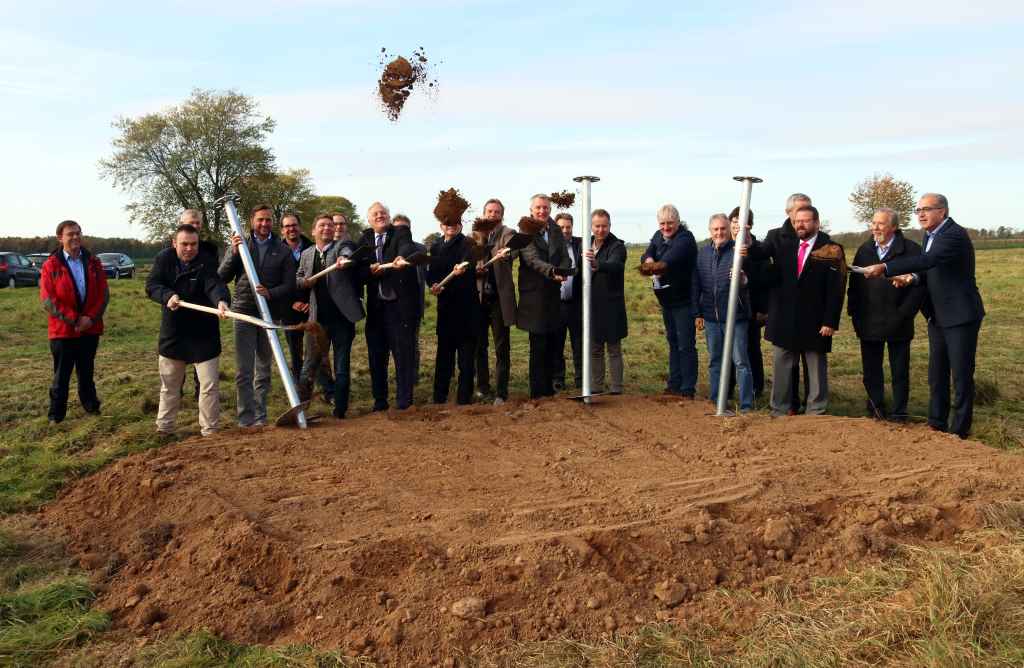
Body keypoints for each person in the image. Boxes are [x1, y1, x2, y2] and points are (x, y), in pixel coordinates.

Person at [861, 193, 985, 438]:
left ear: (943, 211)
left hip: (960, 315)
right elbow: (930, 270)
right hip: (937, 315)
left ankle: (960, 429)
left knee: (960, 374)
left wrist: (886, 267)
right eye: (918, 210)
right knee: (936, 373)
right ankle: (937, 422)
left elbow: (929, 259)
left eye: (927, 209)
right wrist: (912, 278)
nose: (921, 214)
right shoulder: (930, 234)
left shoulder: (952, 234)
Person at [747, 205, 845, 416]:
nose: (800, 224)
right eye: (796, 221)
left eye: (805, 221)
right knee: (782, 367)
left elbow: (836, 289)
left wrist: (830, 321)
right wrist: (745, 236)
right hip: (785, 318)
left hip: (816, 320)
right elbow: (758, 252)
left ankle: (816, 410)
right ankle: (779, 409)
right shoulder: (784, 245)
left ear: (816, 223)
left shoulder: (831, 249)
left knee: (816, 367)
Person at [145, 223, 230, 436]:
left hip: (205, 332)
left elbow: (214, 284)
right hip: (174, 332)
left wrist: (221, 300)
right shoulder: (163, 259)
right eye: (184, 244)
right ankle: (165, 429)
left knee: (209, 386)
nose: (190, 249)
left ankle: (210, 431)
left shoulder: (207, 260)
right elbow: (152, 285)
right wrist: (167, 296)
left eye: (194, 244)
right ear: (174, 243)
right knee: (170, 386)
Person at [218, 203, 297, 427]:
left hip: (268, 314)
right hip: (243, 312)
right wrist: (234, 253)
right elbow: (221, 276)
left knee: (263, 369)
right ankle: (246, 419)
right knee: (244, 370)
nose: (264, 224)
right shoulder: (241, 244)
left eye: (268, 220)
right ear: (252, 221)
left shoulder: (282, 251)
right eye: (260, 219)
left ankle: (261, 417)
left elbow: (290, 285)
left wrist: (270, 293)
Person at [847, 208, 925, 422]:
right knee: (871, 370)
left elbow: (920, 286)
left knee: (899, 371)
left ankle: (900, 412)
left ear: (894, 227)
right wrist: (854, 314)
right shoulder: (864, 250)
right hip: (869, 321)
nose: (875, 227)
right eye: (873, 223)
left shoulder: (911, 250)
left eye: (880, 224)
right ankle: (876, 409)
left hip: (899, 321)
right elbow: (854, 285)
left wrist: (905, 313)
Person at [295, 213, 364, 419]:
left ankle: (340, 410)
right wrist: (304, 282)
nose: (327, 228)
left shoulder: (340, 247)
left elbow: (347, 251)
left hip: (342, 319)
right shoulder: (307, 254)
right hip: (318, 321)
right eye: (322, 225)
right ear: (313, 231)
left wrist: (344, 259)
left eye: (330, 225)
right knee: (309, 366)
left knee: (342, 366)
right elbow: (298, 277)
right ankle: (300, 411)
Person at [40, 220, 109, 423]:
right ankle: (56, 415)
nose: (75, 237)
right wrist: (75, 319)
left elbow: (103, 295)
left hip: (90, 329)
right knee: (61, 376)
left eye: (78, 233)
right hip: (63, 331)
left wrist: (90, 319)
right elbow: (48, 299)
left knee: (86, 372)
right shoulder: (50, 265)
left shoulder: (94, 262)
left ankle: (91, 407)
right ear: (60, 238)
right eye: (70, 234)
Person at [358, 202, 419, 410]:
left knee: (403, 354)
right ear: (369, 219)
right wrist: (368, 271)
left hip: (399, 307)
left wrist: (401, 256)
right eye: (375, 214)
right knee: (376, 356)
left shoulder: (400, 232)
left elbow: (406, 247)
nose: (379, 216)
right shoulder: (365, 239)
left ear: (389, 216)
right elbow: (359, 268)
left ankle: (404, 401)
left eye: (383, 213)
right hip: (376, 309)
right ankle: (380, 400)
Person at [693, 214, 754, 412]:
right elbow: (697, 284)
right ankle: (717, 400)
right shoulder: (702, 254)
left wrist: (743, 278)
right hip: (711, 318)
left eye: (723, 229)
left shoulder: (739, 252)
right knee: (715, 361)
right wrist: (698, 312)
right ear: (710, 231)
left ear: (729, 230)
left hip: (735, 317)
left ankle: (746, 406)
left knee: (741, 362)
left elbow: (748, 280)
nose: (719, 233)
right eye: (715, 229)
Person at [640, 204, 698, 398]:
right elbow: (647, 254)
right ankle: (674, 384)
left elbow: (668, 260)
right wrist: (648, 259)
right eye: (662, 223)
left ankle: (688, 388)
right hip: (667, 301)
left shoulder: (685, 239)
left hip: (684, 301)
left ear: (678, 222)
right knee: (673, 342)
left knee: (685, 344)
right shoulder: (658, 236)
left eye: (670, 223)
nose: (666, 227)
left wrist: (653, 263)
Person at [516, 194, 571, 399]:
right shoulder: (525, 230)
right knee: (537, 345)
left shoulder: (555, 229)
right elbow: (531, 259)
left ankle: (549, 390)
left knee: (552, 342)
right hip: (534, 297)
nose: (542, 211)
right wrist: (552, 271)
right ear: (531, 210)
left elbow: (564, 254)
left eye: (546, 208)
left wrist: (565, 270)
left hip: (553, 295)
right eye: (538, 208)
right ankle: (537, 393)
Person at [767, 193, 814, 413]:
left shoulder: (819, 239)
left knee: (810, 360)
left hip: (810, 310)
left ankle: (812, 405)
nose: (802, 215)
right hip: (784, 310)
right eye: (798, 210)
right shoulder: (776, 236)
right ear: (789, 213)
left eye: (807, 209)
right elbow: (763, 262)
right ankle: (789, 404)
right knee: (787, 362)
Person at [428, 219, 479, 404]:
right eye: (446, 223)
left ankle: (464, 399)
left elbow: (470, 263)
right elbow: (431, 272)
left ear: (460, 225)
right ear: (441, 226)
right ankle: (439, 397)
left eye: (454, 222)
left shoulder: (468, 244)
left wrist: (462, 267)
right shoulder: (436, 246)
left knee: (465, 358)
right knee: (444, 356)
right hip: (446, 309)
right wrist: (432, 285)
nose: (450, 226)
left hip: (466, 309)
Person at [473, 198, 517, 405]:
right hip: (479, 299)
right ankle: (482, 388)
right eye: (489, 211)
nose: (493, 215)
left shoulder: (508, 233)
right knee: (479, 347)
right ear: (483, 213)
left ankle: (501, 392)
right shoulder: (473, 236)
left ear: (502, 215)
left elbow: (513, 250)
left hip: (499, 300)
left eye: (497, 212)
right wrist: (475, 269)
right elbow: (468, 260)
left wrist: (505, 252)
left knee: (502, 347)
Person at [726, 206, 770, 400]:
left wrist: (763, 309)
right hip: (727, 308)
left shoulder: (759, 249)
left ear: (749, 225)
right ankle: (727, 389)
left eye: (739, 222)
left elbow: (763, 280)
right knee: (728, 350)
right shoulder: (724, 245)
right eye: (733, 221)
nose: (736, 226)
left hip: (751, 308)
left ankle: (756, 388)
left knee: (751, 348)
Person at [585, 209, 628, 394]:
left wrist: (597, 264)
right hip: (592, 305)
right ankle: (596, 386)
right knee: (595, 348)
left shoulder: (617, 246)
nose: (600, 230)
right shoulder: (586, 244)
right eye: (597, 226)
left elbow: (616, 265)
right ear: (591, 226)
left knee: (613, 348)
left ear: (610, 226)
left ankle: (617, 387)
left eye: (604, 226)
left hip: (611, 305)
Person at [393, 213, 427, 386]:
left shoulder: (420, 249)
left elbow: (425, 275)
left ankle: (413, 376)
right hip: (394, 304)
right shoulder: (389, 250)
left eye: (404, 228)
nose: (401, 232)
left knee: (413, 341)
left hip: (414, 303)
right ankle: (400, 375)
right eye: (397, 228)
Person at [280, 212, 314, 385]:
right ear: (282, 230)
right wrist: (292, 303)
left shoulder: (313, 248)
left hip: (311, 308)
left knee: (315, 351)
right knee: (295, 352)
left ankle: (325, 388)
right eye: (287, 226)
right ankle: (297, 388)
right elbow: (274, 281)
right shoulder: (276, 251)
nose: (291, 229)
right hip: (289, 309)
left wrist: (308, 303)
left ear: (299, 227)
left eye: (294, 225)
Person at [554, 212, 583, 391]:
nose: (565, 230)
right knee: (557, 343)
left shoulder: (580, 244)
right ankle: (558, 379)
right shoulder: (551, 247)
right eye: (561, 227)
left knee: (579, 343)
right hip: (556, 304)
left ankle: (581, 379)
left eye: (568, 227)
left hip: (576, 303)